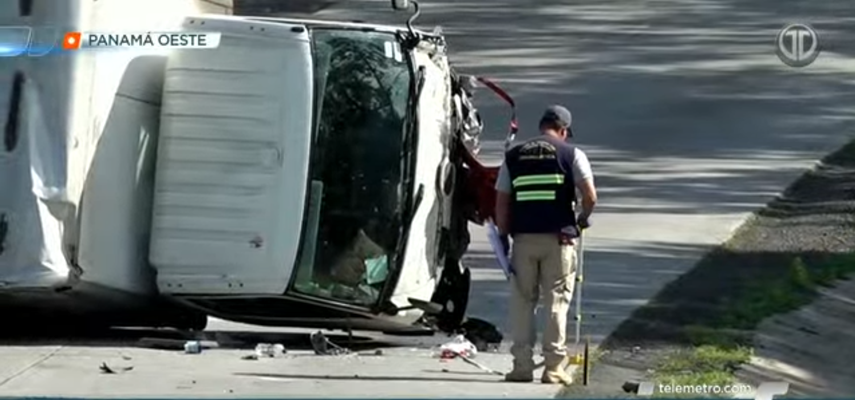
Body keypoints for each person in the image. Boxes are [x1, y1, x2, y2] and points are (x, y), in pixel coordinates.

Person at [493, 105, 597, 385]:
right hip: (559, 240)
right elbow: (590, 195)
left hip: (524, 240)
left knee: (523, 303)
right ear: (563, 130)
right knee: (556, 303)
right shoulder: (571, 154)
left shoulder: (512, 156)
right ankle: (553, 369)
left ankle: (521, 367)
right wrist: (582, 218)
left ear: (541, 127)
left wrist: (503, 236)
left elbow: (501, 202)